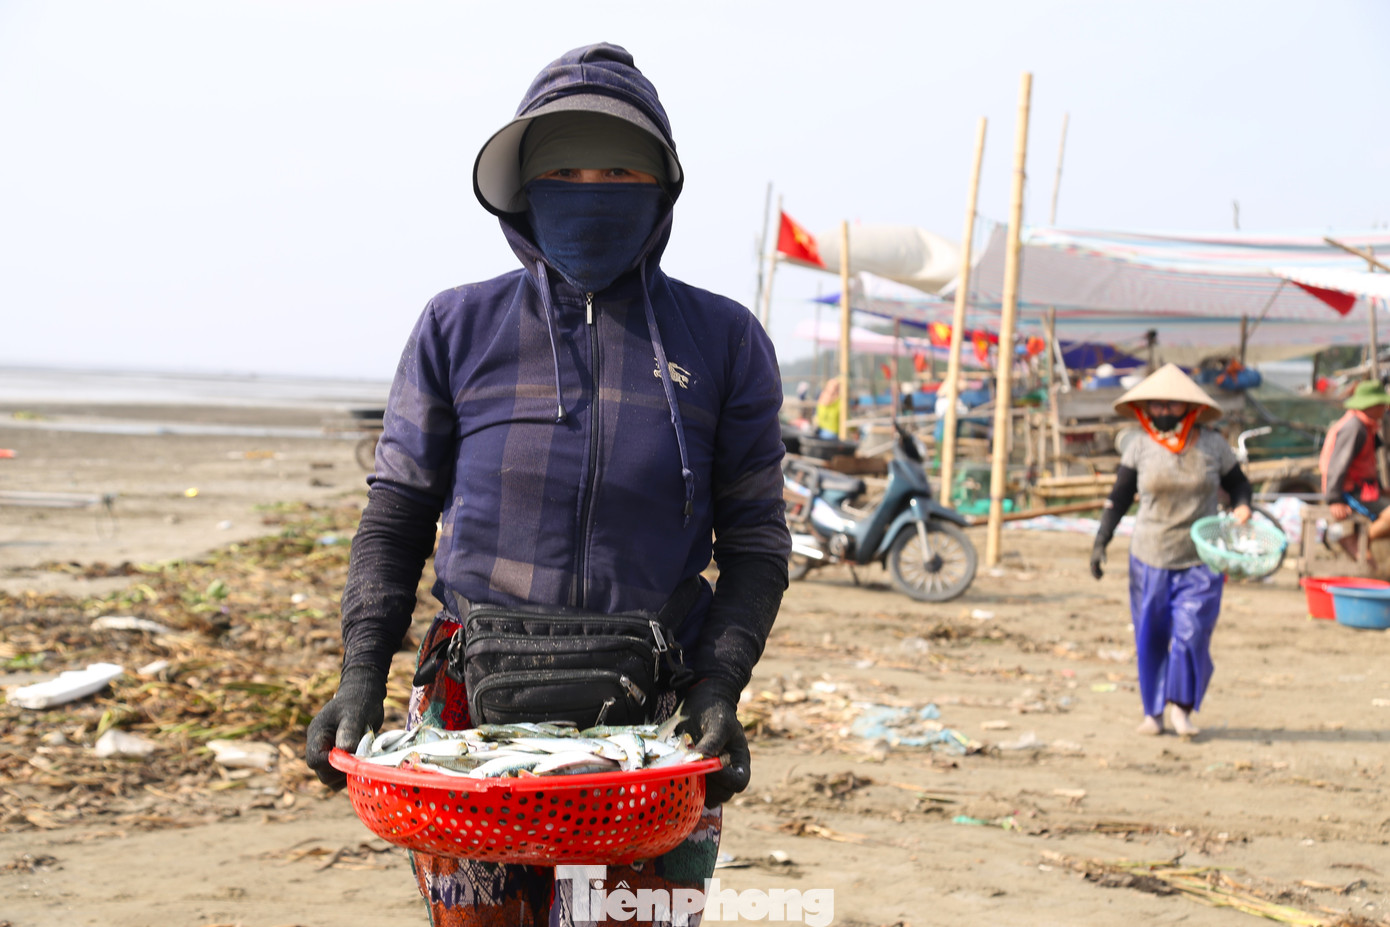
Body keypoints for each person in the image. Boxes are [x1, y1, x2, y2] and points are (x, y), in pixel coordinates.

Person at [304, 43, 791, 926]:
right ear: (527, 186)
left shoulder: (723, 340)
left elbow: (756, 544)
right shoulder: (459, 325)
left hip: (655, 725)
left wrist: (720, 687)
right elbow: (398, 512)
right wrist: (359, 674)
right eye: (566, 168)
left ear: (661, 187)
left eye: (619, 168)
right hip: (469, 718)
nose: (592, 186)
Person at [1088, 364, 1252, 738]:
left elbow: (1240, 485)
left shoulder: (1213, 445)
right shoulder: (1140, 447)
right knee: (1151, 633)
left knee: (1191, 633)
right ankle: (1153, 712)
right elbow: (1119, 497)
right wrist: (1101, 541)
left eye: (1171, 405)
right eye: (1156, 405)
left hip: (1202, 556)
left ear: (1189, 409)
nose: (1162, 412)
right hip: (1150, 554)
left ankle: (1181, 707)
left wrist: (1243, 507)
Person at [1320, 379, 1390, 558]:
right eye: (1382, 404)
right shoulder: (1354, 428)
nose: (1385, 408)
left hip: (1364, 487)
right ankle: (1358, 541)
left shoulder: (1367, 426)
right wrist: (1334, 498)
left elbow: (1368, 463)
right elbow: (1337, 465)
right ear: (1372, 405)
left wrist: (1381, 488)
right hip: (1349, 489)